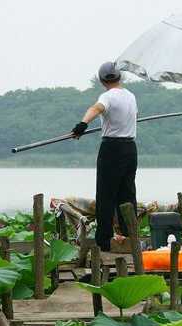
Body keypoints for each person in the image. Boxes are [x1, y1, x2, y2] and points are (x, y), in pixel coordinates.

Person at [71, 61, 138, 251]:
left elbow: (96, 108)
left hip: (111, 149)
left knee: (105, 196)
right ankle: (129, 237)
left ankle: (104, 241)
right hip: (130, 149)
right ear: (120, 77)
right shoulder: (131, 96)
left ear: (102, 80)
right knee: (127, 195)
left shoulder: (107, 96)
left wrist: (82, 125)